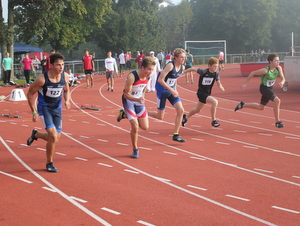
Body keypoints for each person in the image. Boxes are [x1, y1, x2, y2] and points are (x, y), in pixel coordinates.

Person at [26, 52, 71, 172]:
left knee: (56, 138)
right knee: (53, 135)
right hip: (45, 108)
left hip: (57, 108)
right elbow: (30, 93)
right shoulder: (42, 79)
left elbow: (66, 90)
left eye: (62, 64)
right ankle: (49, 163)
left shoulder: (65, 76)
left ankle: (36, 135)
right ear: (51, 65)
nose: (61, 67)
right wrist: (34, 112)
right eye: (58, 65)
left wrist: (67, 100)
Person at [116, 57, 156, 158]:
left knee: (145, 127)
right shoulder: (132, 76)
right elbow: (126, 94)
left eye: (152, 69)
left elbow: (144, 88)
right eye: (149, 69)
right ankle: (135, 149)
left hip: (139, 101)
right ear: (142, 68)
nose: (150, 72)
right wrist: (136, 99)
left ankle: (123, 114)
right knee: (135, 126)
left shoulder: (148, 76)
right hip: (129, 100)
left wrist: (142, 96)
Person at [234, 53, 285, 128]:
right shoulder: (265, 70)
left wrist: (282, 82)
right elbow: (253, 73)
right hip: (264, 88)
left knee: (261, 107)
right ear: (271, 61)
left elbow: (283, 78)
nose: (278, 62)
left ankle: (243, 105)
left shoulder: (278, 68)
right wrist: (245, 83)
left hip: (269, 88)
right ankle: (277, 122)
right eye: (276, 61)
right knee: (277, 100)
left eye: (278, 60)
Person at [148, 48, 186, 143]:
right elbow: (160, 80)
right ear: (176, 57)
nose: (183, 59)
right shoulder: (170, 65)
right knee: (160, 116)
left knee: (181, 110)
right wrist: (171, 90)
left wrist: (175, 89)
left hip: (171, 90)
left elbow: (174, 79)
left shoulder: (182, 67)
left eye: (184, 58)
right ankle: (141, 112)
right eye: (181, 57)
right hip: (162, 91)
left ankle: (176, 135)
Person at [182, 57, 225, 127]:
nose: (216, 68)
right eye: (214, 66)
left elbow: (218, 81)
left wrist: (220, 86)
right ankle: (213, 120)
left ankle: (185, 117)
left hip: (207, 93)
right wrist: (183, 72)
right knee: (215, 102)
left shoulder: (216, 73)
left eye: (217, 66)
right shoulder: (203, 72)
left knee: (197, 110)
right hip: (201, 93)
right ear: (209, 66)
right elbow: (193, 68)